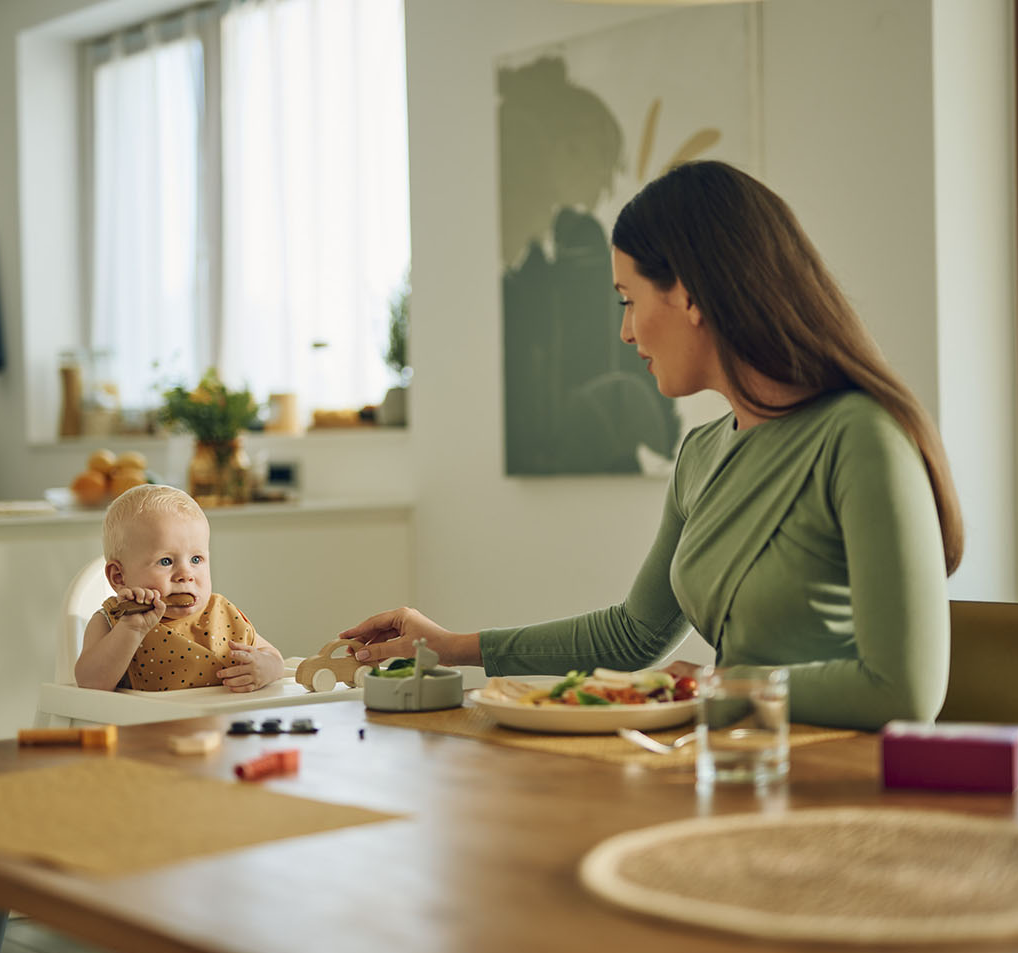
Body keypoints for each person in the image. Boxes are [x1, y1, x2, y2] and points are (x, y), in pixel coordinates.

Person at [339, 161, 963, 730]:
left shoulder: (860, 438)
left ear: (690, 294)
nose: (625, 329)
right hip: (733, 767)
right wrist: (451, 646)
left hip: (833, 792)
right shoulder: (702, 455)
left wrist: (718, 686)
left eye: (629, 299)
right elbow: (636, 635)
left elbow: (902, 692)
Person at [75, 484, 285, 692]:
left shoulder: (221, 613)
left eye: (196, 559)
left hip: (223, 722)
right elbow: (91, 683)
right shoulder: (114, 621)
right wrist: (131, 630)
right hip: (149, 724)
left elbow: (273, 657)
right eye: (166, 561)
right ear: (119, 577)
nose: (186, 574)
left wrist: (265, 668)